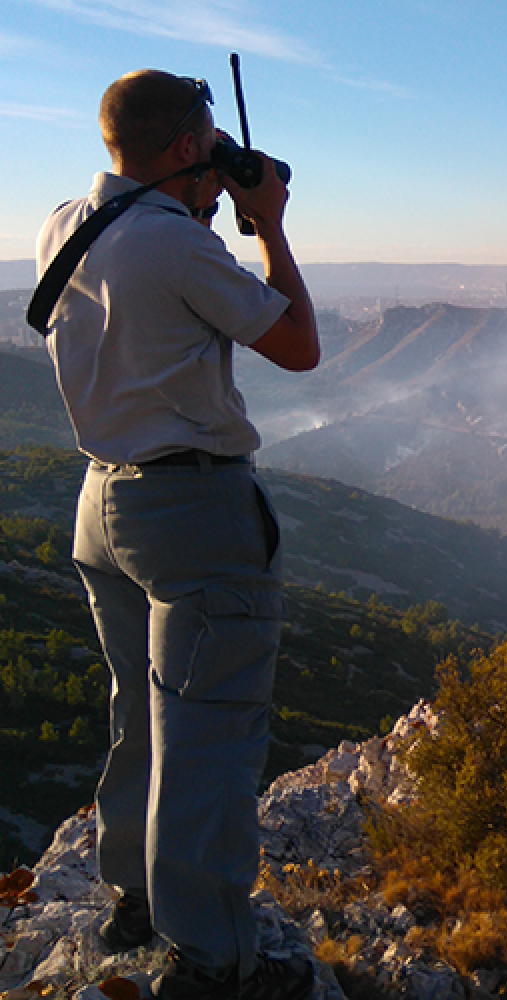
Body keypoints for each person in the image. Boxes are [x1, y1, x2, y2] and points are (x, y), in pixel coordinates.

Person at [34, 70, 319, 1000]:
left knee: (140, 719)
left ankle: (135, 901)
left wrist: (201, 198)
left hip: (100, 504)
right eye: (205, 146)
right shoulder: (172, 247)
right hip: (192, 517)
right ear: (188, 149)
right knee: (209, 733)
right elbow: (296, 345)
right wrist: (267, 221)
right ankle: (213, 963)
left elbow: (147, 282)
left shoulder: (63, 224)